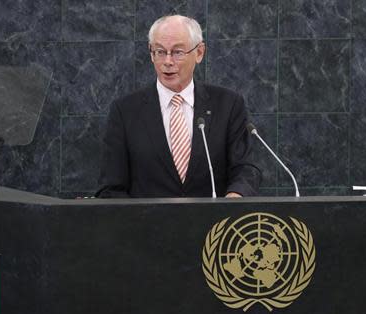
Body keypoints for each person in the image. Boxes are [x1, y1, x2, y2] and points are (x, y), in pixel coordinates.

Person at [96, 15, 261, 198]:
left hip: (213, 224)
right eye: (159, 51)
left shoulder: (228, 104)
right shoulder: (125, 111)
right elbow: (111, 187)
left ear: (199, 53)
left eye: (177, 52)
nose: (167, 61)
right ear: (151, 54)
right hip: (148, 224)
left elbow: (246, 169)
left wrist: (235, 197)